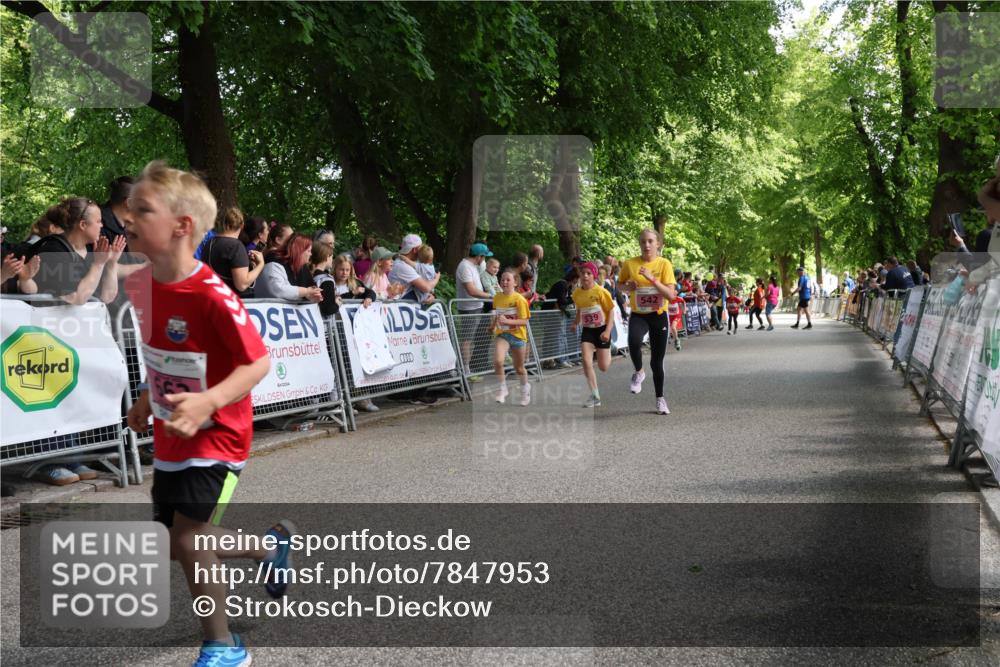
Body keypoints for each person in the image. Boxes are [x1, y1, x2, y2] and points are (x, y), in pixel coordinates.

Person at [122, 161, 292, 667]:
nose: (128, 219)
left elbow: (258, 361)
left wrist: (210, 401)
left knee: (189, 537)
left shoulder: (213, 294)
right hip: (173, 431)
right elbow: (162, 352)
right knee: (176, 543)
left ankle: (224, 645)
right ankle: (268, 548)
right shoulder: (139, 286)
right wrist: (149, 397)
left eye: (142, 210)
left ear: (182, 226)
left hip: (219, 432)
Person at [618, 228, 677, 415]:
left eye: (651, 241)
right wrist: (627, 286)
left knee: (656, 362)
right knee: (633, 341)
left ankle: (660, 399)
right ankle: (638, 372)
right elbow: (619, 286)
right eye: (643, 241)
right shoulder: (630, 263)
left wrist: (652, 280)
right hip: (639, 314)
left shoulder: (664, 264)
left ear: (658, 244)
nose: (647, 245)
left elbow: (671, 295)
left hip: (658, 315)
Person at [30, 197, 127, 305]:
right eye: (98, 221)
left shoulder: (93, 250)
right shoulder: (54, 251)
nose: (102, 225)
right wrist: (98, 264)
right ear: (83, 225)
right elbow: (77, 298)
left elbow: (107, 297)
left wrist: (111, 263)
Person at [570, 262, 614, 407]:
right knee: (586, 361)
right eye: (583, 273)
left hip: (602, 330)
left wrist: (608, 331)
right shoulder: (576, 293)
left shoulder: (601, 292)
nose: (585, 276)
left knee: (603, 367)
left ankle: (609, 348)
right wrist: (576, 323)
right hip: (588, 330)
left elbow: (611, 311)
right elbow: (580, 310)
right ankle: (595, 395)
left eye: (589, 273)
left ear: (594, 275)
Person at [491, 268, 531, 406]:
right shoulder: (497, 297)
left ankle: (525, 390)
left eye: (508, 279)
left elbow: (524, 321)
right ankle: (502, 389)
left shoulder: (519, 299)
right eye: (502, 279)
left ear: (515, 283)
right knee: (498, 361)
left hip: (518, 336)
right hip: (503, 334)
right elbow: (497, 315)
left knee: (519, 368)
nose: (505, 282)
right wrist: (492, 326)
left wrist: (507, 321)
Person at [203, 207, 264, 297]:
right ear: (242, 225)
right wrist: (260, 265)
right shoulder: (236, 246)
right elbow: (242, 285)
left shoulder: (209, 243)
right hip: (234, 301)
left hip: (214, 297)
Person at [455, 242, 494, 379]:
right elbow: (471, 290)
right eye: (484, 257)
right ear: (479, 256)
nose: (484, 260)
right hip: (469, 309)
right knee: (467, 340)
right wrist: (491, 296)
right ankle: (465, 371)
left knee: (470, 339)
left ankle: (464, 368)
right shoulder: (465, 266)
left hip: (476, 307)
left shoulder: (471, 266)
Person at [254, 233, 323, 303]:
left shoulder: (302, 268)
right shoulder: (274, 264)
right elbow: (279, 289)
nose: (310, 254)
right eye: (308, 251)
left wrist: (311, 295)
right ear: (299, 251)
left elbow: (309, 287)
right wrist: (306, 291)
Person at [389, 233, 437, 302]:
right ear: (415, 250)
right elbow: (427, 287)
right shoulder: (402, 266)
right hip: (402, 305)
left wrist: (432, 295)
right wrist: (437, 278)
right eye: (421, 248)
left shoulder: (405, 263)